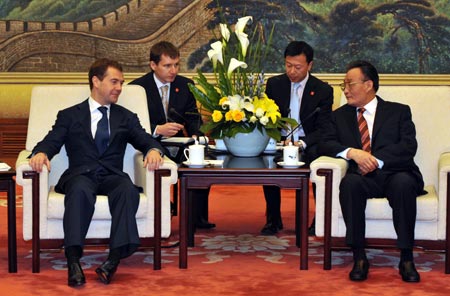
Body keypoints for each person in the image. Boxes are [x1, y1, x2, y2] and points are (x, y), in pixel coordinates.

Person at [29, 58, 165, 287]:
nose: (119, 88)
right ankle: (73, 261)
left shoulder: (125, 117)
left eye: (121, 83)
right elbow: (51, 141)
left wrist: (153, 150)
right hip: (80, 175)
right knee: (80, 191)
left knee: (126, 191)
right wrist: (41, 153)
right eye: (114, 82)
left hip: (112, 175)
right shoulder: (70, 115)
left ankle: (112, 261)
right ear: (96, 81)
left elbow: (146, 140)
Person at [318, 60, 423, 282]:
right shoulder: (339, 116)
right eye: (343, 85)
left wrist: (374, 159)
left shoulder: (398, 111)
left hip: (395, 172)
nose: (345, 90)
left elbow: (408, 147)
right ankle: (359, 257)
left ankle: (406, 258)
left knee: (403, 184)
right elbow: (325, 143)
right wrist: (353, 153)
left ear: (368, 84)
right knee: (349, 184)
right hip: (362, 178)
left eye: (350, 84)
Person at [129, 41, 215, 229]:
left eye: (176, 65)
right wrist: (157, 129)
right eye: (167, 66)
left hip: (179, 142)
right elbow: (131, 124)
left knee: (200, 157)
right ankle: (161, 209)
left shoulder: (185, 85)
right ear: (153, 65)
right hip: (150, 143)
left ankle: (197, 217)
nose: (173, 70)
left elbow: (193, 116)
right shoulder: (137, 88)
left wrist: (196, 136)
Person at [261, 41, 333, 235]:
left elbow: (324, 128)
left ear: (310, 65)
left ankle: (319, 219)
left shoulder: (323, 90)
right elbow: (268, 119)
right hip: (280, 140)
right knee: (267, 163)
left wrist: (301, 142)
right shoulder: (275, 84)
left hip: (308, 142)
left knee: (320, 163)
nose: (292, 71)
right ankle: (273, 219)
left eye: (298, 67)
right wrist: (277, 137)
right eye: (288, 65)